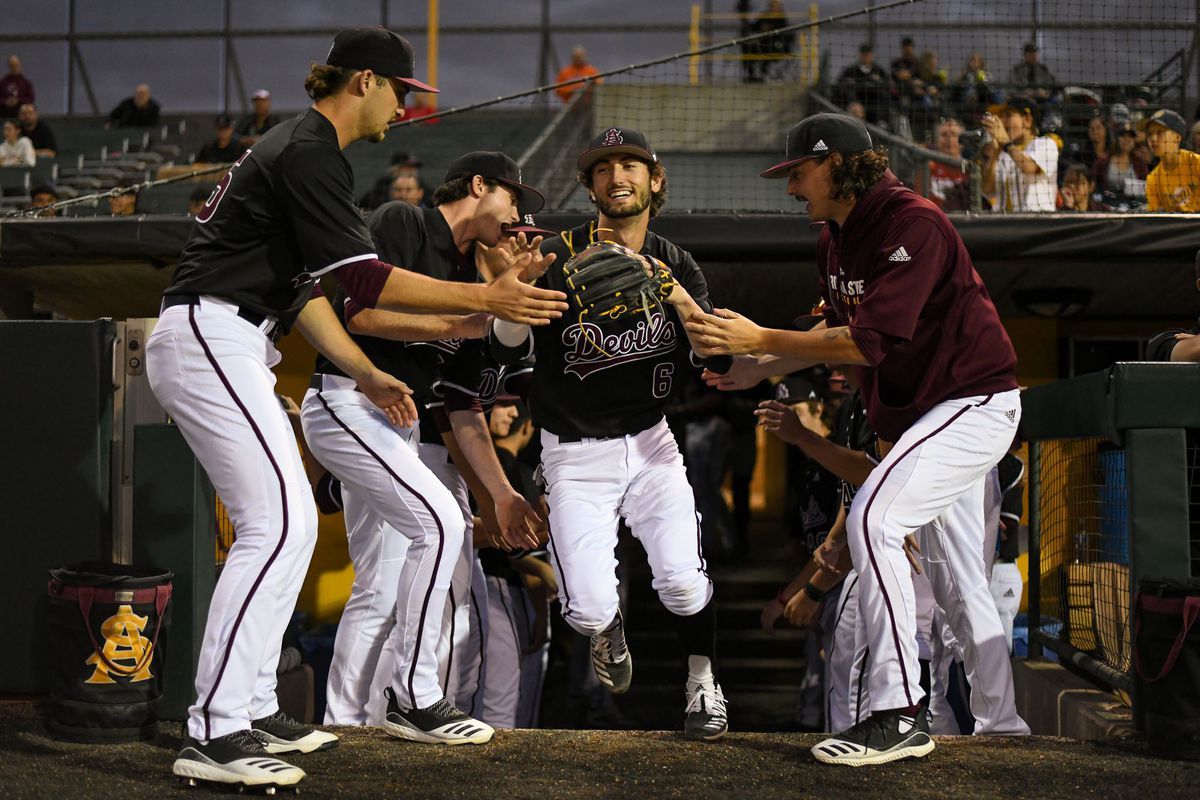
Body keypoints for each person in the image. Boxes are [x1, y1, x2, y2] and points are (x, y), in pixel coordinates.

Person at [144, 28, 566, 791]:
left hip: (238, 335)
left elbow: (308, 294)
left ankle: (250, 704)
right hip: (210, 329)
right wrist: (486, 298)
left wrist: (366, 369)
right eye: (401, 92)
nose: (405, 108)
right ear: (365, 80)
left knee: (292, 526)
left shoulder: (305, 150)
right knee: (279, 524)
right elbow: (363, 284)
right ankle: (213, 728)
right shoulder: (310, 147)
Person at [687, 112, 1021, 764]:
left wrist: (760, 338)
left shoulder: (912, 222)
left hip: (972, 402)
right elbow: (835, 341)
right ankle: (1003, 728)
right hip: (926, 419)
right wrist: (758, 366)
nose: (789, 188)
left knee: (872, 519)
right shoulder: (833, 237)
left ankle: (896, 712)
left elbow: (867, 342)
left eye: (797, 172)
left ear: (837, 163)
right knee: (957, 585)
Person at [489, 127, 733, 740]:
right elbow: (504, 347)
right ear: (590, 185)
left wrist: (674, 297)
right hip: (572, 454)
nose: (616, 177)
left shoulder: (677, 263)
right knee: (590, 608)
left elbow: (716, 356)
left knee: (682, 582)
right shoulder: (554, 253)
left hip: (652, 444)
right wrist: (510, 300)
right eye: (602, 169)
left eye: (630, 166)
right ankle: (608, 632)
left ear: (655, 181)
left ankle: (702, 684)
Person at [303, 150, 547, 744]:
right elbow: (359, 313)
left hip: (401, 421)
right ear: (481, 185)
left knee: (384, 585)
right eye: (513, 201)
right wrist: (465, 318)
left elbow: (467, 399)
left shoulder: (469, 278)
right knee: (437, 526)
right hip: (350, 396)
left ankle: (353, 724)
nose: (516, 219)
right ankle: (397, 705)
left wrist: (504, 292)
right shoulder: (406, 220)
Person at [980, 96, 1058, 212]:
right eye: (1001, 117)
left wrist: (1005, 142)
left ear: (1027, 120)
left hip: (1039, 221)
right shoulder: (1003, 154)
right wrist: (996, 152)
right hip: (1004, 224)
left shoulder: (1046, 144)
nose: (1001, 122)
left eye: (1008, 115)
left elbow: (1028, 167)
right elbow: (987, 189)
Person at [1144, 108, 1200, 212]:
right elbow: (1153, 219)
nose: (1153, 139)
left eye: (1160, 132)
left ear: (1177, 138)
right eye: (1150, 134)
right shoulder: (1153, 180)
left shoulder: (1197, 164)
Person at [917, 117, 970, 211]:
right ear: (936, 141)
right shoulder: (927, 167)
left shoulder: (970, 168)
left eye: (954, 135)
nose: (949, 140)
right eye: (944, 135)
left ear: (962, 142)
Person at [836, 44, 889, 125]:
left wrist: (878, 82)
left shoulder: (878, 70)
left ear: (871, 55)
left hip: (874, 103)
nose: (865, 56)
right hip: (857, 101)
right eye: (863, 54)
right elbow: (840, 83)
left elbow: (887, 84)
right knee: (850, 92)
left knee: (884, 94)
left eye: (867, 54)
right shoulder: (851, 70)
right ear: (859, 55)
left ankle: (882, 122)